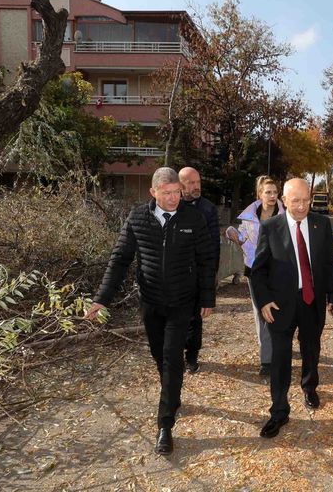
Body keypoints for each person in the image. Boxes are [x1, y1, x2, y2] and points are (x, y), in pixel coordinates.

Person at [85, 167, 216, 456]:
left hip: (183, 302)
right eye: (167, 193)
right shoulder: (138, 218)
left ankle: (164, 425)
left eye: (177, 192)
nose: (173, 198)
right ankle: (172, 394)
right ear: (153, 192)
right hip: (151, 302)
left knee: (171, 358)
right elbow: (120, 259)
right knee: (161, 356)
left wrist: (207, 297)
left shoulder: (192, 218)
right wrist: (101, 299)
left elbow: (207, 259)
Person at [250, 178, 333, 439]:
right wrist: (264, 300)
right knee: (280, 359)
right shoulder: (270, 227)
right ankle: (279, 411)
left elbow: (330, 262)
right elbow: (258, 271)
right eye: (296, 201)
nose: (302, 206)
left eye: (306, 200)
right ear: (284, 201)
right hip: (280, 304)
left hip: (312, 300)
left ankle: (309, 387)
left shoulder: (321, 224)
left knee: (311, 348)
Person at [225, 176, 285, 378]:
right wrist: (232, 232)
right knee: (261, 314)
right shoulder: (250, 217)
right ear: (259, 194)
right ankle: (267, 360)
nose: (272, 195)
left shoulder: (286, 215)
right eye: (268, 192)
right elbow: (243, 239)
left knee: (280, 310)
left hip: (280, 271)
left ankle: (279, 347)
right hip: (255, 271)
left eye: (275, 192)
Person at [179, 167, 221, 374]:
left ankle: (191, 357)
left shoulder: (208, 209)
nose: (196, 187)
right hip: (175, 274)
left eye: (198, 182)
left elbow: (214, 245)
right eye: (191, 183)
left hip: (198, 274)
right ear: (180, 185)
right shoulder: (172, 206)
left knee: (195, 319)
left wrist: (212, 275)